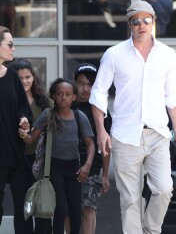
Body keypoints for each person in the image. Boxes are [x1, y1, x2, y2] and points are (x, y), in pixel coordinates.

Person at [90, 0, 176, 234]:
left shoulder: (167, 54)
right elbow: (98, 92)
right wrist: (101, 130)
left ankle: (150, 229)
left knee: (164, 189)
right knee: (130, 199)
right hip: (125, 135)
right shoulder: (114, 54)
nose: (142, 25)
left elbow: (172, 97)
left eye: (147, 20)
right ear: (129, 25)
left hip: (158, 133)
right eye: (136, 21)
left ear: (153, 22)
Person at [19, 78, 95, 234]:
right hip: (53, 168)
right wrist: (22, 132)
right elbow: (31, 139)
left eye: (67, 94)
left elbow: (91, 144)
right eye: (59, 94)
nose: (63, 98)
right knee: (61, 209)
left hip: (74, 168)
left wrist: (87, 165)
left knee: (75, 212)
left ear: (74, 96)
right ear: (53, 95)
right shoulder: (48, 114)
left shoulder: (79, 116)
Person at [9, 58, 53, 234]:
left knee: (41, 207)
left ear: (33, 77)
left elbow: (58, 121)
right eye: (20, 78)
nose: (25, 81)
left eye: (28, 77)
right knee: (22, 208)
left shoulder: (44, 101)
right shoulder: (8, 99)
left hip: (40, 160)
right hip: (17, 161)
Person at [70, 63, 112, 234]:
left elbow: (106, 144)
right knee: (68, 209)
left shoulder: (100, 110)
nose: (85, 88)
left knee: (88, 207)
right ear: (75, 83)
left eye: (90, 84)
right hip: (67, 165)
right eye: (81, 83)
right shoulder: (66, 106)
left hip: (93, 167)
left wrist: (105, 174)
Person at [0, 26, 32, 227]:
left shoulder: (12, 76)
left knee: (24, 205)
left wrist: (23, 120)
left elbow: (23, 108)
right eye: (10, 44)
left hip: (15, 152)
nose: (13, 49)